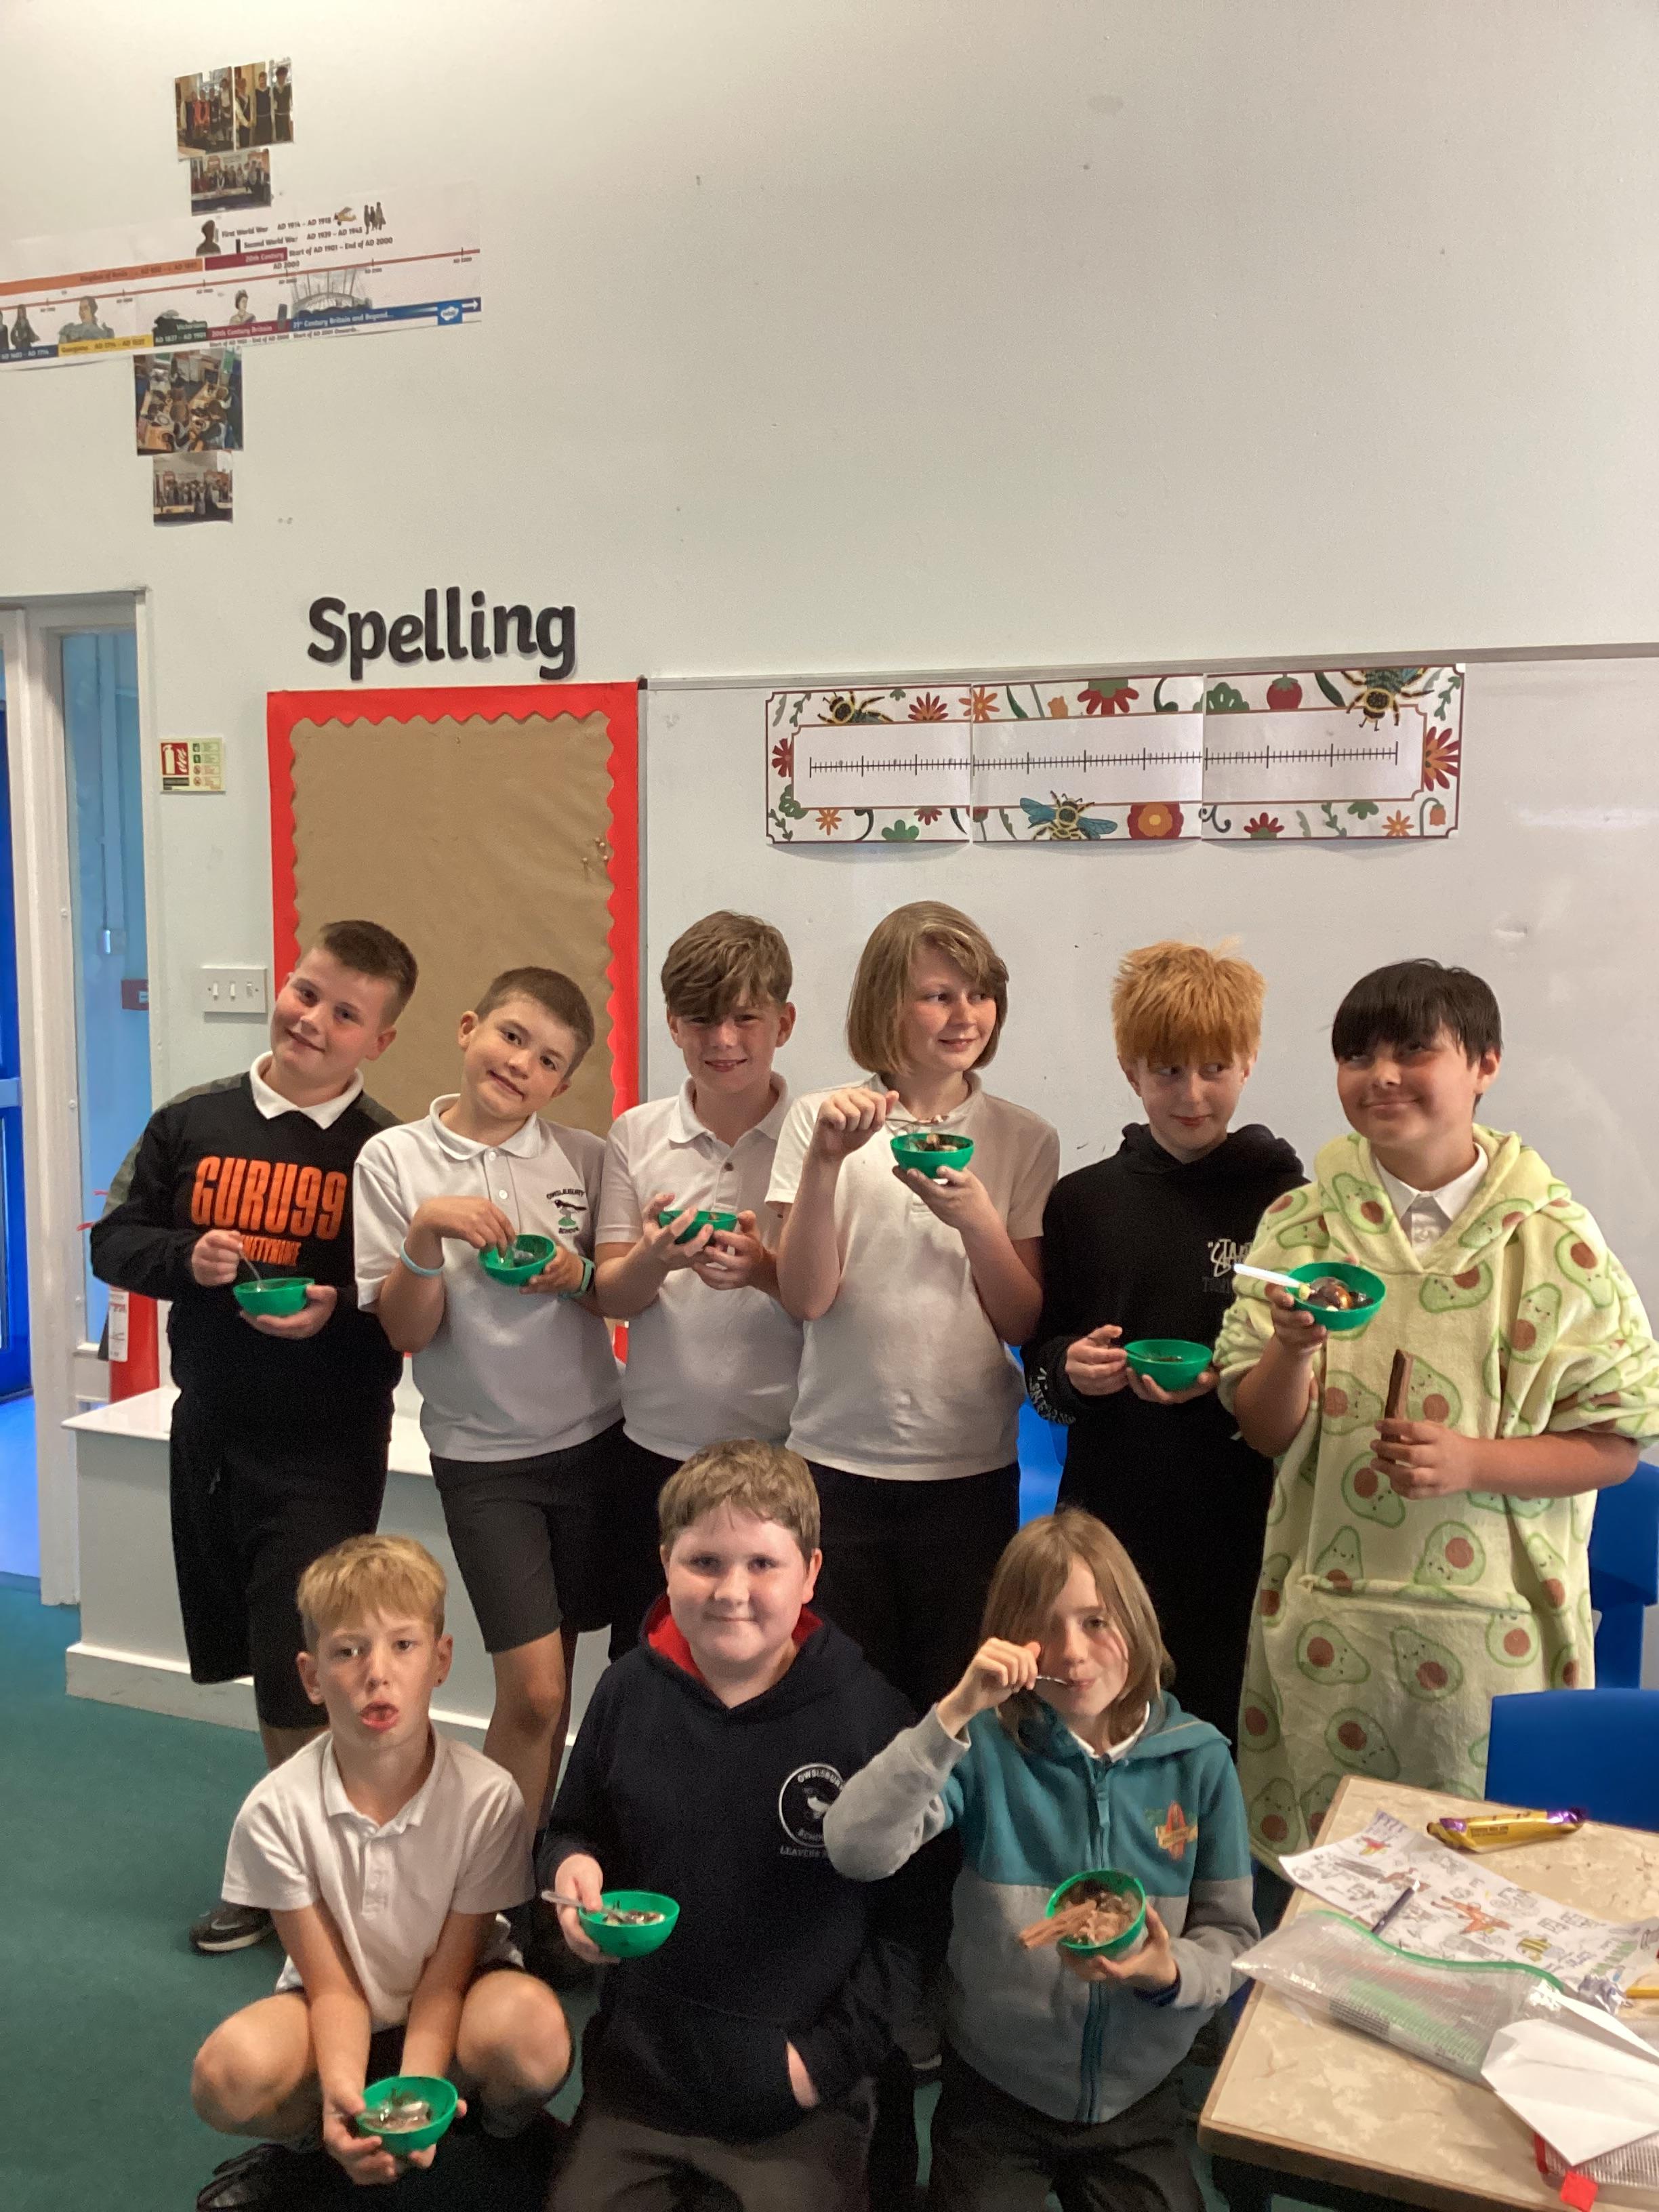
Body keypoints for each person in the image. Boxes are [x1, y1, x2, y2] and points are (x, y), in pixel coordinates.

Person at [1216, 958, 1659, 1873]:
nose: (1381, 1076)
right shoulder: (1300, 1227)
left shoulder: (1555, 1241)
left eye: (1414, 1051)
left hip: (1495, 1635)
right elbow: (1264, 1432)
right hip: (1330, 1627)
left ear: (1485, 1064)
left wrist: (1474, 1462)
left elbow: (1614, 1445)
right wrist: (1291, 1350)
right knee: (1328, 1881)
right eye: (1357, 1056)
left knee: (1485, 1883)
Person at [91, 920, 417, 1957]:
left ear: (381, 1041)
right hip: (211, 1432)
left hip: (326, 1446)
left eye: (345, 1014)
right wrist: (188, 1260)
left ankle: (304, 1887)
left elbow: (409, 1305)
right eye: (306, 992)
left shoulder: (387, 1152)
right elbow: (115, 1240)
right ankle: (302, 1861)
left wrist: (337, 1313)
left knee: (301, 1663)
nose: (312, 1020)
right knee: (253, 1654)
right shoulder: (190, 1120)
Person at [824, 1509, 1256, 2212]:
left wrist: (1169, 1970)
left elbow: (1234, 1937)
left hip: (1140, 2095)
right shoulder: (984, 1749)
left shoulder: (1199, 1760)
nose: (1073, 1654)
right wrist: (953, 1714)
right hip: (996, 2089)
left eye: (1096, 1621)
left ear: (1136, 1622)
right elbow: (854, 1848)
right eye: (1044, 1629)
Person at [542, 1440, 918, 2212]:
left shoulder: (871, 1721)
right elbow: (573, 1829)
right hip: (643, 2083)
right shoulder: (627, 1691)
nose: (732, 1591)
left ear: (810, 1574)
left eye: (763, 1564)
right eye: (705, 1562)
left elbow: (914, 1924)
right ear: (665, 1565)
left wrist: (818, 2065)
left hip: (799, 2094)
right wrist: (571, 1869)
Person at [190, 1535, 570, 2212]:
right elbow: (332, 1988)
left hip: (458, 2009)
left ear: (440, 1660)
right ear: (311, 1676)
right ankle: (310, 2149)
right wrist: (343, 2103)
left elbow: (447, 1981)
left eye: (403, 1645)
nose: (377, 1674)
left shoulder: (487, 1798)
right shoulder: (274, 1812)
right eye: (347, 1651)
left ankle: (510, 2136)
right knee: (226, 2076)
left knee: (535, 2036)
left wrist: (411, 2101)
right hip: (334, 2016)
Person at [769, 900, 1058, 1713]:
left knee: (956, 1702)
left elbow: (1021, 1321)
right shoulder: (818, 1120)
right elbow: (806, 1297)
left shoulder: (1023, 1137)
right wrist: (827, 1162)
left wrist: (978, 1221)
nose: (965, 1015)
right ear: (885, 1005)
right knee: (840, 1703)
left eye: (979, 994)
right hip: (836, 1461)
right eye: (938, 995)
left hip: (969, 1466)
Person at [353, 967, 621, 1829]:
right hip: (483, 1460)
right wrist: (427, 1232)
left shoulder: (584, 1157)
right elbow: (407, 1329)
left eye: (547, 1060)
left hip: (597, 1443)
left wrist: (575, 1273)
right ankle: (492, 1878)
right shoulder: (394, 1159)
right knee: (534, 1691)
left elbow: (613, 1294)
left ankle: (538, 1852)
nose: (520, 1065)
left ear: (562, 1085)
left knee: (570, 1678)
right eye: (511, 1036)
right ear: (469, 1028)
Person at [1024, 942, 1304, 1738]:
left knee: (1224, 1732)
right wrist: (1072, 1371)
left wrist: (1231, 1381)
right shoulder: (1082, 1203)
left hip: (1242, 1524)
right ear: (1130, 1070)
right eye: (1167, 1071)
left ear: (1248, 1063)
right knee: (1101, 1726)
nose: (1192, 1093)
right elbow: (1041, 1373)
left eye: (1214, 1068)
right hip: (1111, 1522)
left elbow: (1312, 1381)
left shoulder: (1288, 1205)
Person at [594, 909, 802, 1656]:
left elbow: (834, 1300)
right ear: (673, 1026)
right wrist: (657, 1256)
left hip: (784, 1451)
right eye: (701, 1020)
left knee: (770, 1661)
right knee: (645, 1660)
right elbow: (612, 1294)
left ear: (783, 1023)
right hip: (655, 1445)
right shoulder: (636, 1134)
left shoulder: (820, 1137)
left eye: (745, 1018)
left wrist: (764, 1272)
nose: (723, 1040)